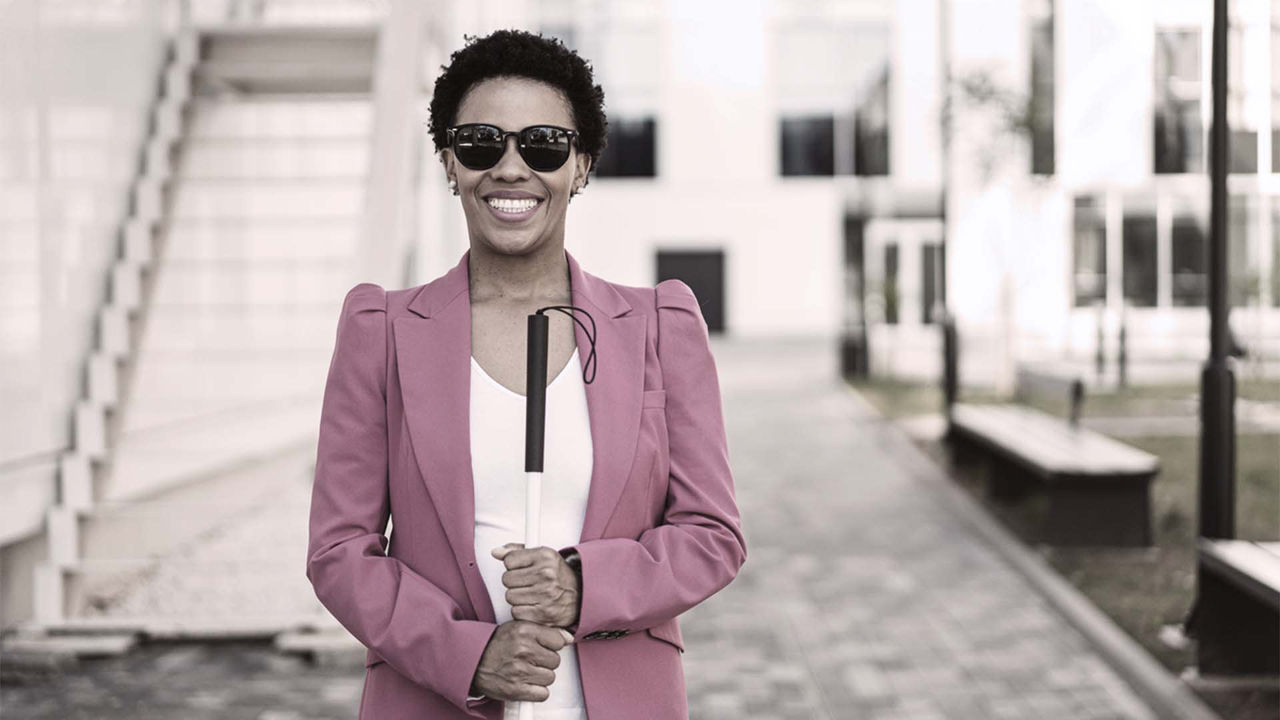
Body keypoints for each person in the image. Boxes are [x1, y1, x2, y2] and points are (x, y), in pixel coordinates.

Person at [306, 29, 746, 720]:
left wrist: (583, 582)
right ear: (450, 163)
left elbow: (712, 534)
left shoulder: (661, 325)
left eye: (542, 144)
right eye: (483, 143)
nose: (511, 168)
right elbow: (340, 551)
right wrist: (470, 654)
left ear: (582, 165)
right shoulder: (381, 332)